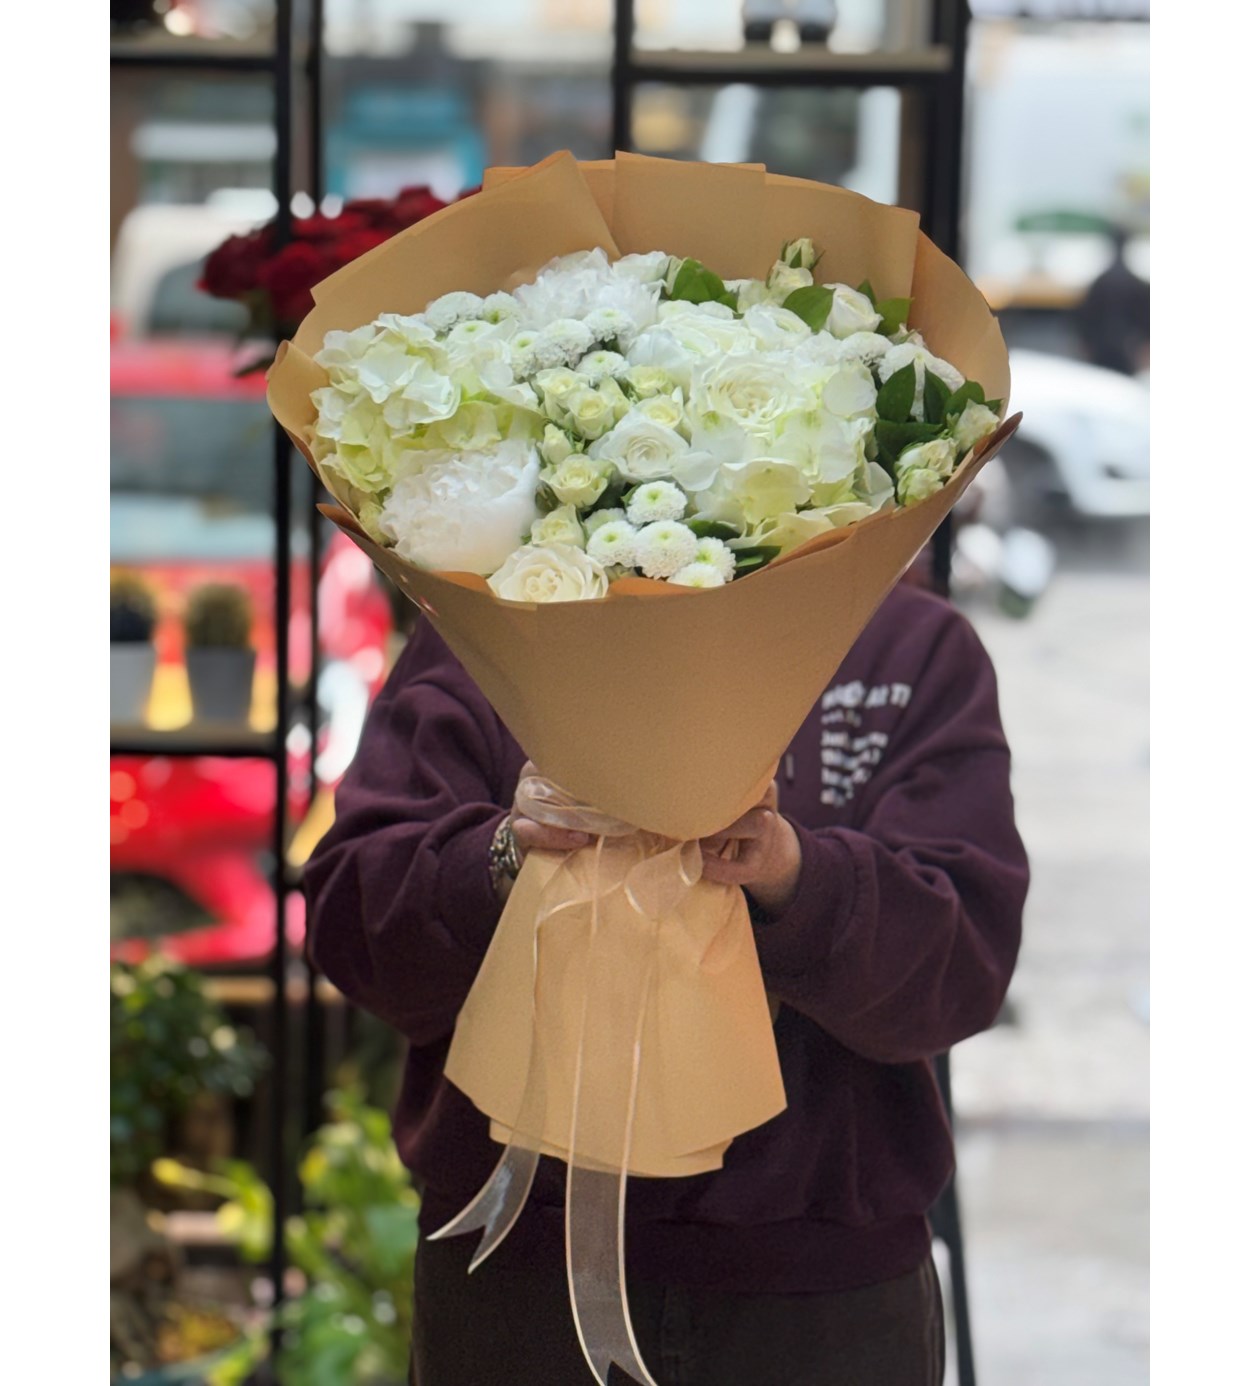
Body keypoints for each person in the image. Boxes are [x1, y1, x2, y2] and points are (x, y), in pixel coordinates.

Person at [304, 575, 1029, 1386]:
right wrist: (505, 857)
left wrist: (792, 874)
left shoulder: (904, 645)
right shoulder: (497, 620)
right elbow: (352, 927)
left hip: (821, 1289)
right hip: (519, 1276)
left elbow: (965, 964)